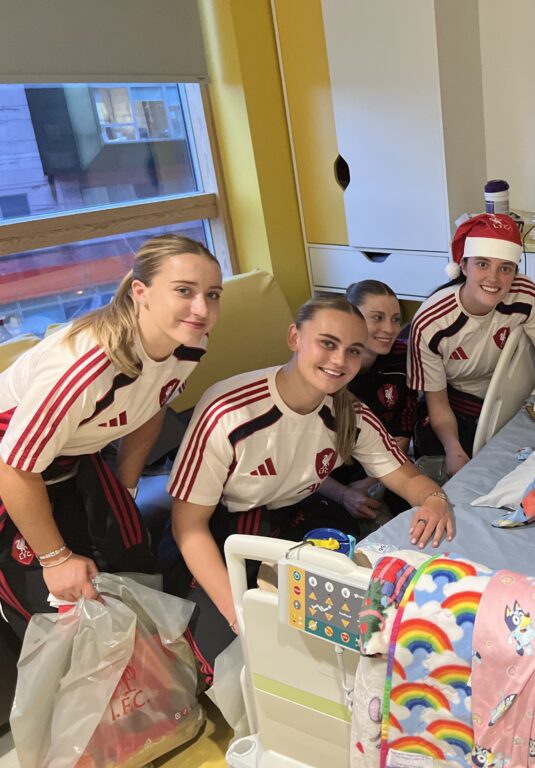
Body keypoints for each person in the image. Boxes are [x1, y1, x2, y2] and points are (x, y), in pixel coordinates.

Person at [168, 294, 455, 671]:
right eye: (327, 343)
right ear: (294, 338)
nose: (339, 361)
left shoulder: (350, 414)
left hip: (299, 519)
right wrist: (237, 611)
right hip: (221, 529)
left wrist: (434, 498)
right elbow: (187, 527)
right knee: (219, 658)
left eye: (353, 351)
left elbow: (403, 475)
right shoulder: (229, 410)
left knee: (339, 634)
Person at [0, 234, 222, 636]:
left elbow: (151, 406)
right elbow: (13, 468)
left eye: (213, 294)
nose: (201, 308)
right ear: (141, 292)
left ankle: (145, 671)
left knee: (133, 555)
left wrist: (126, 486)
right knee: (57, 604)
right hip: (12, 466)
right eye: (184, 291)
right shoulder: (85, 367)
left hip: (72, 453)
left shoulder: (189, 344)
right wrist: (54, 558)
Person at [408, 213, 535, 476]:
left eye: (505, 268)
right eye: (483, 264)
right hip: (456, 406)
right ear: (463, 267)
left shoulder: (525, 295)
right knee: (446, 465)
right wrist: (453, 448)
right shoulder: (432, 323)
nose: (494, 278)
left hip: (509, 396)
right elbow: (436, 403)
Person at [331, 280, 417, 529]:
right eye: (377, 318)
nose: (389, 329)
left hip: (384, 467)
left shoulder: (401, 358)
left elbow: (402, 431)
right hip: (326, 480)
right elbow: (302, 459)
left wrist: (370, 482)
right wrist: (344, 494)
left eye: (395, 319)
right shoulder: (329, 369)